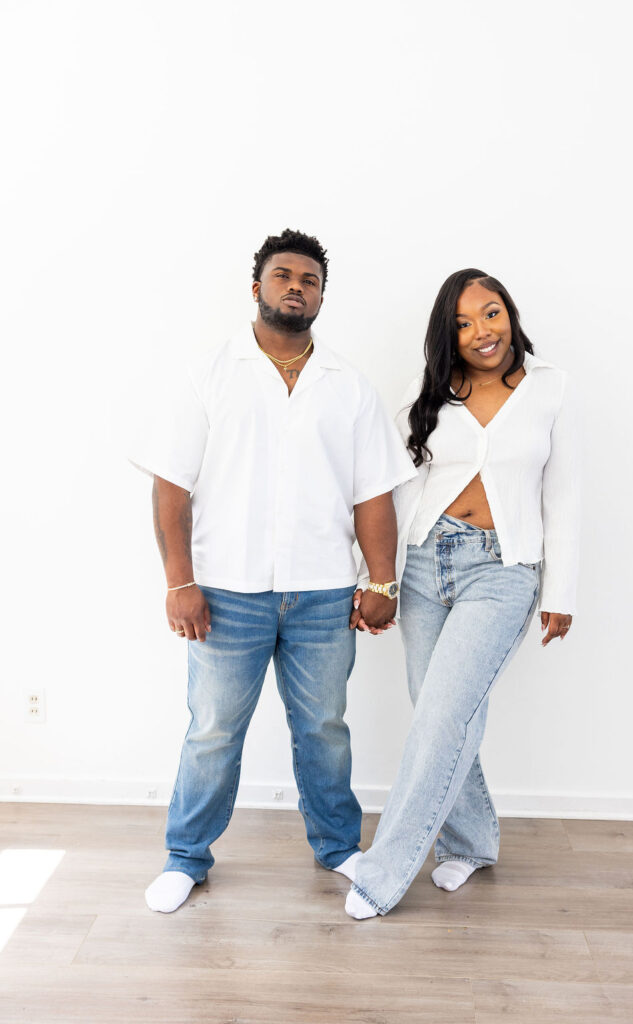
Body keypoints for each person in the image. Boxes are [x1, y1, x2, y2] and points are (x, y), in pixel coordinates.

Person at [128, 229, 416, 913]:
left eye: (309, 280)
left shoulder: (349, 386)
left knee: (324, 728)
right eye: (283, 275)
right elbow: (171, 487)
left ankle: (338, 847)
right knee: (213, 731)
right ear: (256, 287)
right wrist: (179, 583)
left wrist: (381, 582)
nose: (296, 287)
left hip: (323, 592)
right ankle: (186, 857)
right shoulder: (209, 374)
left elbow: (373, 493)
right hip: (226, 593)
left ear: (321, 297)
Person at [345, 268, 580, 919]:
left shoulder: (550, 387)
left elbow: (563, 497)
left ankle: (382, 873)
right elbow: (388, 489)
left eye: (491, 313)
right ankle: (471, 842)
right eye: (463, 323)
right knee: (440, 714)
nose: (481, 331)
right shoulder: (426, 392)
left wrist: (560, 590)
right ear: (447, 335)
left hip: (501, 571)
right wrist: (374, 578)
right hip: (423, 565)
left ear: (510, 313)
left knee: (442, 717)